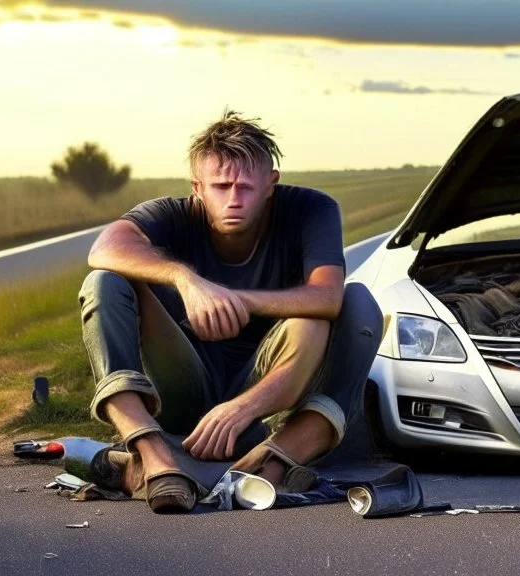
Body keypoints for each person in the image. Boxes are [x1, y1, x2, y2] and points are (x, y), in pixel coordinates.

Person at [79, 111, 378, 513]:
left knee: (357, 303)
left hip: (267, 396)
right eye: (221, 187)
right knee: (103, 282)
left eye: (246, 187)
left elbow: (327, 297)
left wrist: (232, 301)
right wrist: (189, 282)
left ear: (271, 184)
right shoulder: (171, 214)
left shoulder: (312, 209)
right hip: (184, 385)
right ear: (197, 187)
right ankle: (151, 456)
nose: (234, 199)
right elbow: (103, 250)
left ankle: (277, 459)